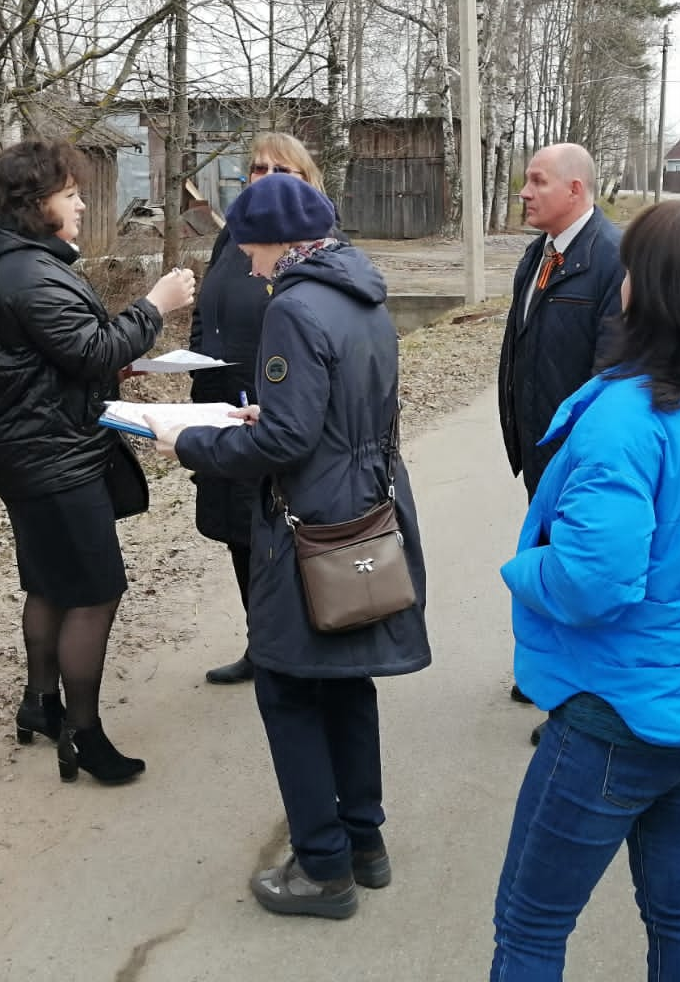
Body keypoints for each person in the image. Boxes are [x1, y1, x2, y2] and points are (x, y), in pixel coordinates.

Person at [490, 200, 680, 981]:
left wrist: (520, 570)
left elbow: (593, 583)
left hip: (612, 715)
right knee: (679, 907)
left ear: (655, 289)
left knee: (530, 925)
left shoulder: (627, 417)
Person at [150, 173, 430, 920]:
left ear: (276, 239)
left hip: (313, 518)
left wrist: (194, 442)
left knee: (287, 683)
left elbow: (289, 439)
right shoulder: (360, 291)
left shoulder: (296, 306)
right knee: (346, 678)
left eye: (247, 244)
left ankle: (322, 869)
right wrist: (269, 417)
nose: (244, 261)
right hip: (368, 498)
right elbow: (332, 410)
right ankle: (365, 844)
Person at [0, 139, 196, 786]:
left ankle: (41, 703)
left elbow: (65, 355)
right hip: (54, 459)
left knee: (47, 583)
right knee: (95, 594)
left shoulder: (22, 265)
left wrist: (110, 355)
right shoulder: (29, 272)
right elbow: (91, 349)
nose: (82, 202)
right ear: (35, 204)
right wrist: (156, 305)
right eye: (70, 193)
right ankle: (84, 734)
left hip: (32, 450)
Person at [188, 132, 328, 686]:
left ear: (305, 180)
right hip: (219, 405)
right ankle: (260, 642)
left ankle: (299, 646)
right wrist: (196, 363)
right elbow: (208, 309)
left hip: (273, 413)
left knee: (279, 534)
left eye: (280, 170)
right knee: (236, 531)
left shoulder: (313, 244)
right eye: (256, 168)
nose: (263, 177)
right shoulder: (232, 240)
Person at [499, 143, 623, 727]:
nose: (524, 192)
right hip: (539, 450)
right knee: (547, 566)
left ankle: (574, 701)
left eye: (537, 181)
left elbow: (611, 374)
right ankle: (551, 673)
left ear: (575, 190)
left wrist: (583, 452)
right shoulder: (538, 254)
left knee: (578, 574)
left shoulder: (614, 258)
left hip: (579, 457)